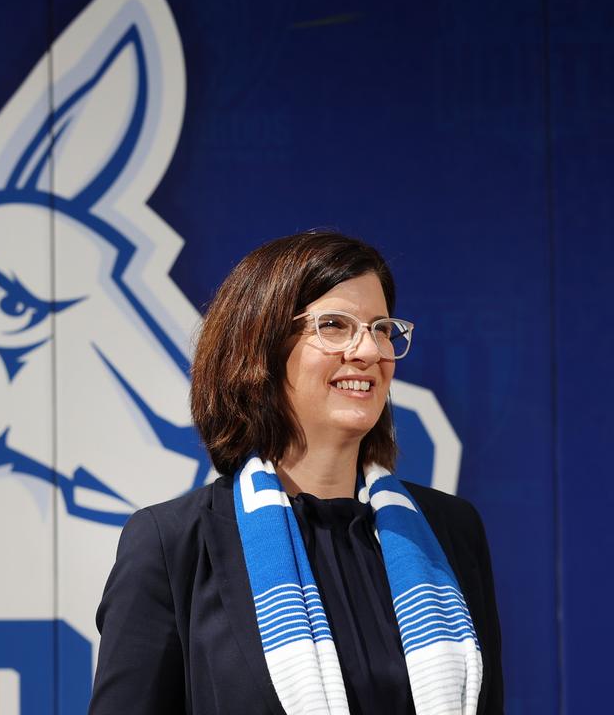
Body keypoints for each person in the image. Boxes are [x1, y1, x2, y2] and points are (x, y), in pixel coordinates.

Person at [88, 231, 502, 714]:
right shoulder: (174, 543)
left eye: (381, 327)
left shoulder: (450, 530)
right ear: (259, 347)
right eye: (334, 325)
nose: (368, 350)